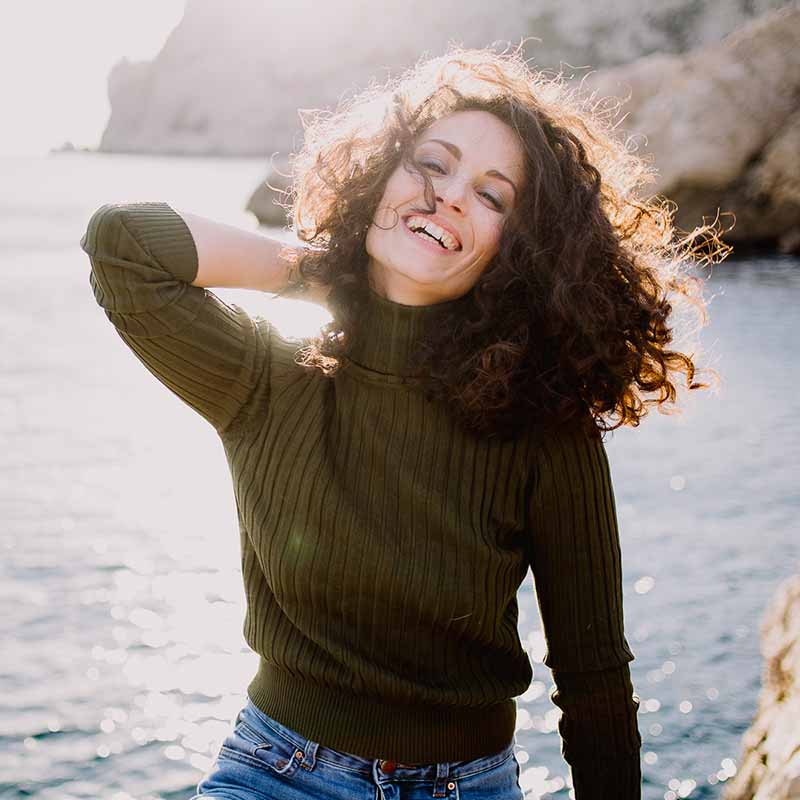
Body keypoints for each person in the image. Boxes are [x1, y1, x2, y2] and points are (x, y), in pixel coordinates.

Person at [79, 45, 723, 800]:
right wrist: (332, 267)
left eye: (493, 196)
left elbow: (593, 678)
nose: (449, 196)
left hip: (469, 787)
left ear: (516, 254)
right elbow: (124, 245)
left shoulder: (544, 430)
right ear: (378, 176)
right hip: (278, 775)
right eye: (430, 164)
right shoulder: (265, 379)